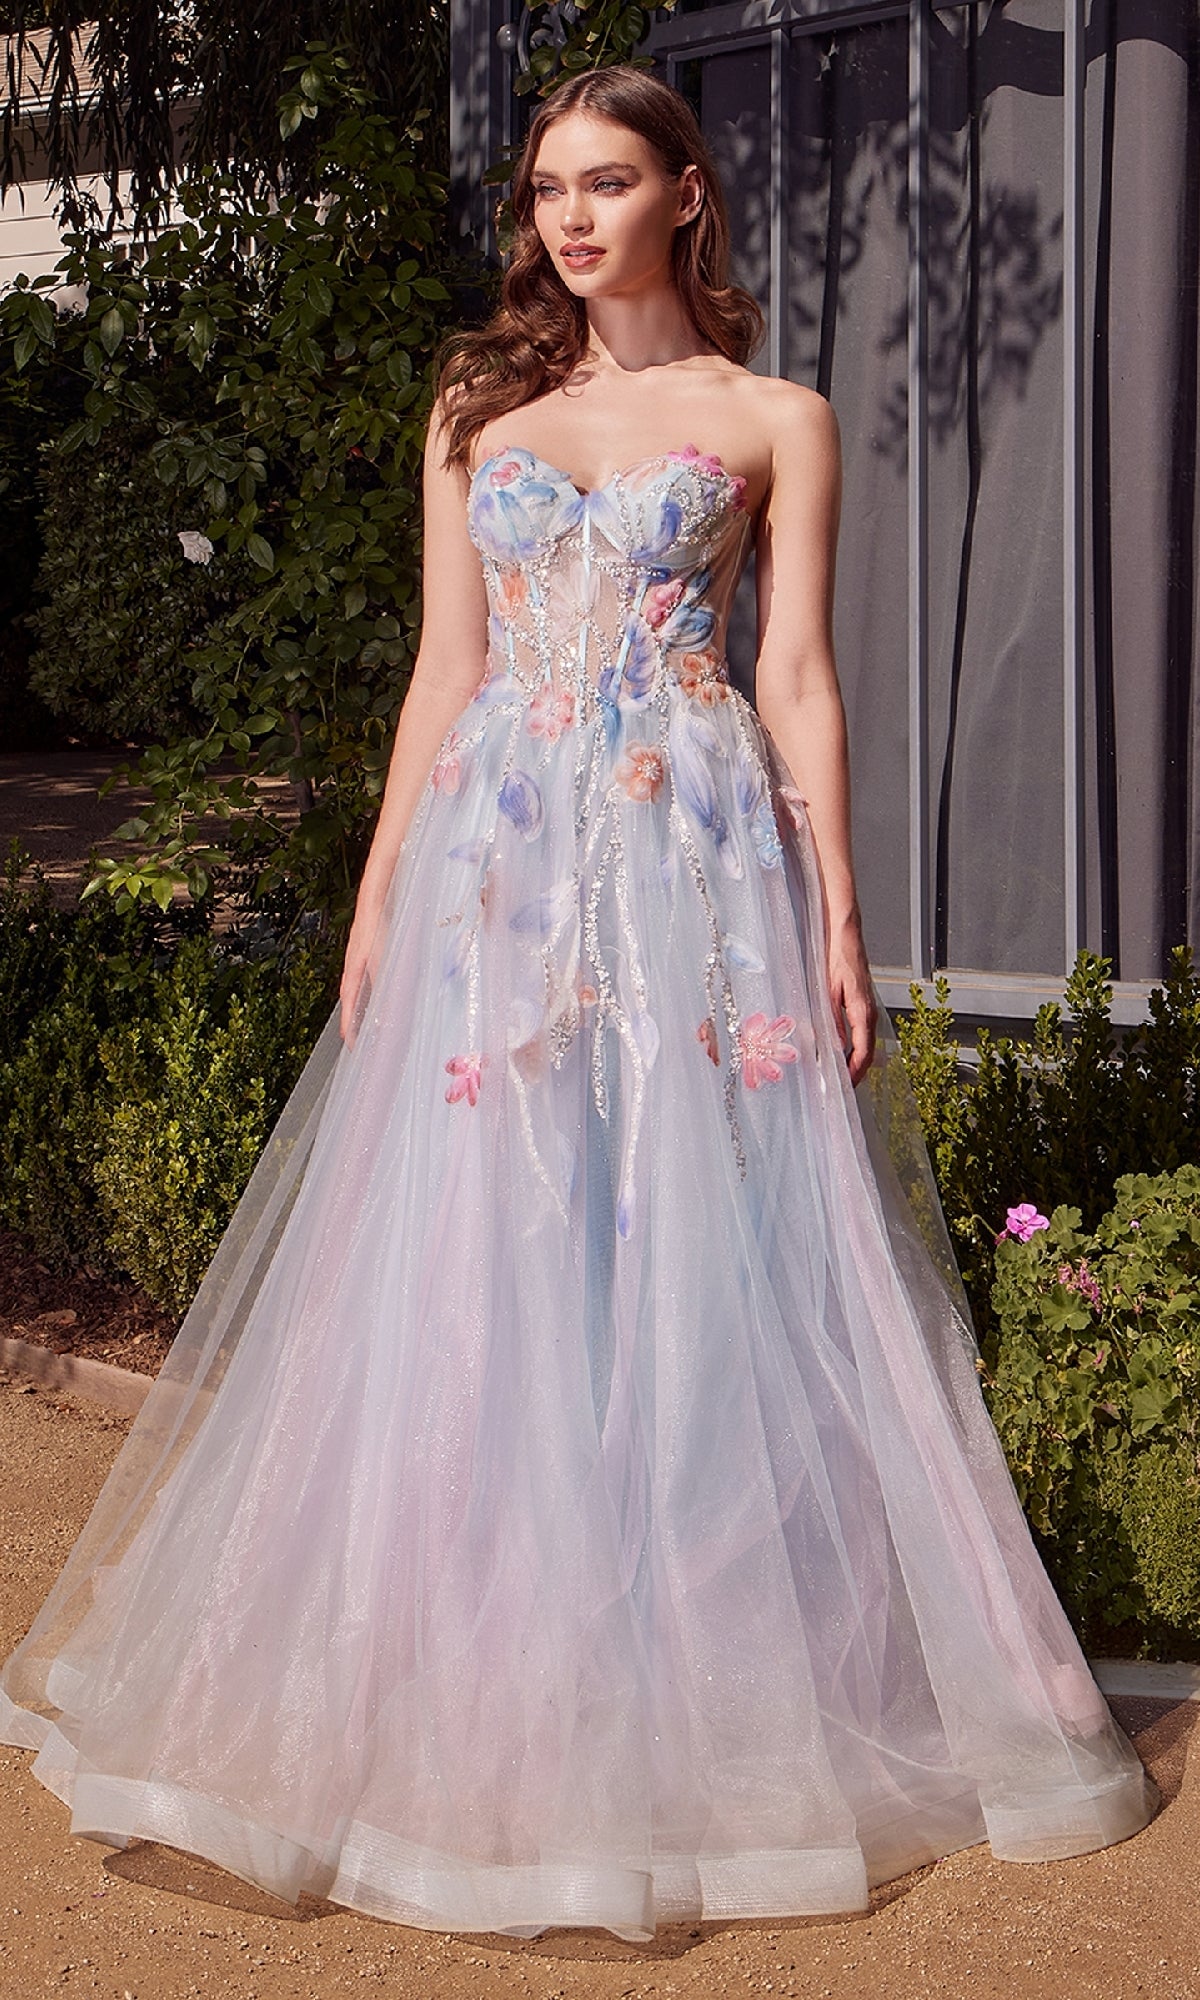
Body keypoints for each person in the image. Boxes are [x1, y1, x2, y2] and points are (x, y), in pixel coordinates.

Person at [0, 65, 1155, 1944]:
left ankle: (694, 1665)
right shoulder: (481, 412)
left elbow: (798, 679)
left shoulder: (778, 416)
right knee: (492, 1243)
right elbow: (445, 670)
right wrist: (376, 890)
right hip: (498, 872)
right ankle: (489, 1656)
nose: (567, 217)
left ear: (686, 196)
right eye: (547, 187)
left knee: (702, 1249)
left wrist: (844, 912)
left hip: (696, 868)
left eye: (606, 182)